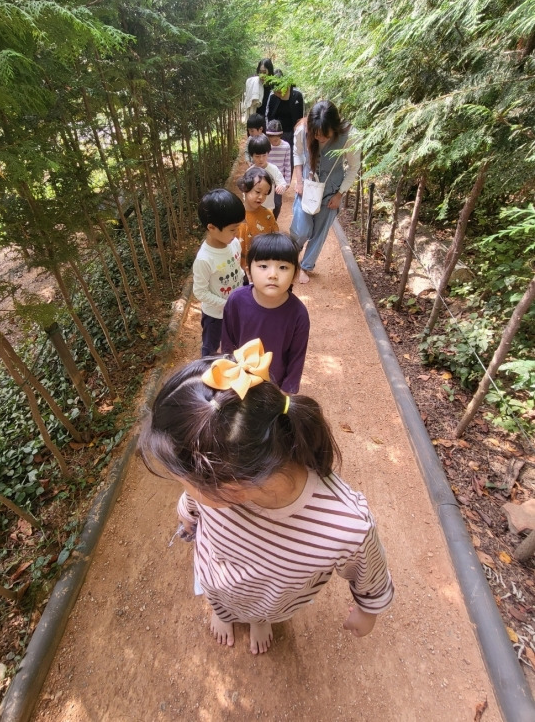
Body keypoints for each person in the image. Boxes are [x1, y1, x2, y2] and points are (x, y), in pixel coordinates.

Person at [138, 340, 394, 655]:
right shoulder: (223, 475)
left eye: (183, 481)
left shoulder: (346, 526)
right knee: (219, 598)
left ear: (228, 490)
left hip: (271, 600)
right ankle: (223, 612)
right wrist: (187, 512)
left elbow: (370, 573)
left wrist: (368, 611)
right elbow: (195, 500)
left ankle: (261, 620)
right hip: (218, 578)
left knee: (264, 611)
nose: (184, 489)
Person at [222, 233, 309, 394]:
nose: (273, 275)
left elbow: (296, 359)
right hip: (239, 381)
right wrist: (228, 375)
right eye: (263, 266)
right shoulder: (236, 301)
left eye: (283, 267)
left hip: (274, 388)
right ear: (249, 272)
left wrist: (286, 393)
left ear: (295, 275)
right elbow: (228, 342)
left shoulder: (298, 314)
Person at [290, 100, 361, 284]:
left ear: (335, 128)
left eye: (325, 135)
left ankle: (305, 266)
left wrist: (340, 195)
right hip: (306, 186)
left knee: (320, 232)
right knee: (302, 229)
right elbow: (297, 154)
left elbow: (353, 168)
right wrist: (299, 181)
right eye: (316, 134)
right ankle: (290, 259)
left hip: (331, 191)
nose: (320, 138)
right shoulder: (302, 130)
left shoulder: (350, 136)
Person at [192, 189, 245, 357]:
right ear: (212, 227)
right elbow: (200, 292)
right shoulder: (204, 259)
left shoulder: (234, 243)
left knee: (235, 341)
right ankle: (206, 371)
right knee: (211, 347)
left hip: (236, 309)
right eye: (232, 229)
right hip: (215, 316)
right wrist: (226, 305)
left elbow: (238, 269)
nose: (236, 233)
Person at [236, 167, 279, 270]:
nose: (261, 197)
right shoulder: (234, 215)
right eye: (258, 192)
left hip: (262, 267)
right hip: (239, 269)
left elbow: (275, 240)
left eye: (265, 193)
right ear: (245, 188)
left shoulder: (267, 215)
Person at [265, 70, 304, 158]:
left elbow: (301, 118)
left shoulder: (297, 95)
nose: (278, 94)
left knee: (292, 160)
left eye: (279, 92)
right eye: (276, 92)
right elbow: (269, 117)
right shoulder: (272, 97)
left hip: (293, 134)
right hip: (277, 136)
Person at [247, 134, 286, 215]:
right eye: (257, 156)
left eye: (264, 155)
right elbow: (245, 191)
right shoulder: (249, 172)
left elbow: (282, 182)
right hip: (253, 209)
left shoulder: (273, 169)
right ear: (251, 155)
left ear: (268, 153)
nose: (261, 159)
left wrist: (281, 186)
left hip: (268, 209)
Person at [266, 120, 291, 219]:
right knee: (264, 204)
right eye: (271, 139)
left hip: (278, 181)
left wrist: (287, 181)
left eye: (275, 140)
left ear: (280, 136)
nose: (273, 142)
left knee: (277, 204)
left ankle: (274, 220)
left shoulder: (286, 146)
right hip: (265, 178)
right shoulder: (266, 145)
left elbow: (287, 165)